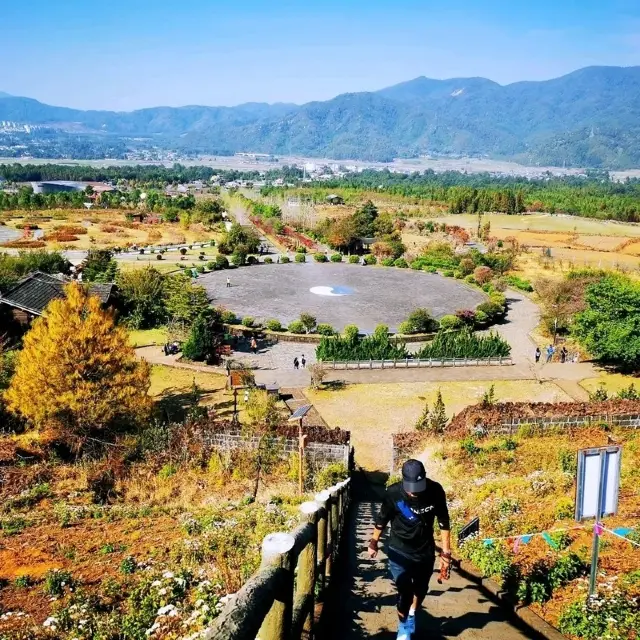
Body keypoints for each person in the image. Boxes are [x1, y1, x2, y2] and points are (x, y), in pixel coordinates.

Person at [368, 459, 451, 640]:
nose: (414, 492)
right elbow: (382, 519)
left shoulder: (436, 491)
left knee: (420, 589)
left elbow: (444, 521)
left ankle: (412, 614)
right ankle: (404, 625)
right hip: (399, 550)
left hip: (425, 551)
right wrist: (373, 542)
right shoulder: (393, 493)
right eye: (411, 487)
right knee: (404, 591)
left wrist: (446, 553)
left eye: (418, 486)